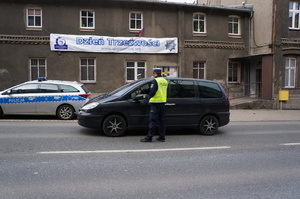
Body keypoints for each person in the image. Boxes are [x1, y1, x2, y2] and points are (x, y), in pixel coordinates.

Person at [140, 68, 168, 142]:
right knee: (162, 121)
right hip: (162, 102)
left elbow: (152, 92)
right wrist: (141, 91)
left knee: (152, 120)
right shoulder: (165, 81)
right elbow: (156, 90)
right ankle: (162, 137)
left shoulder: (155, 81)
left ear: (154, 73)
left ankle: (149, 137)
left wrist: (146, 96)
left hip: (155, 103)